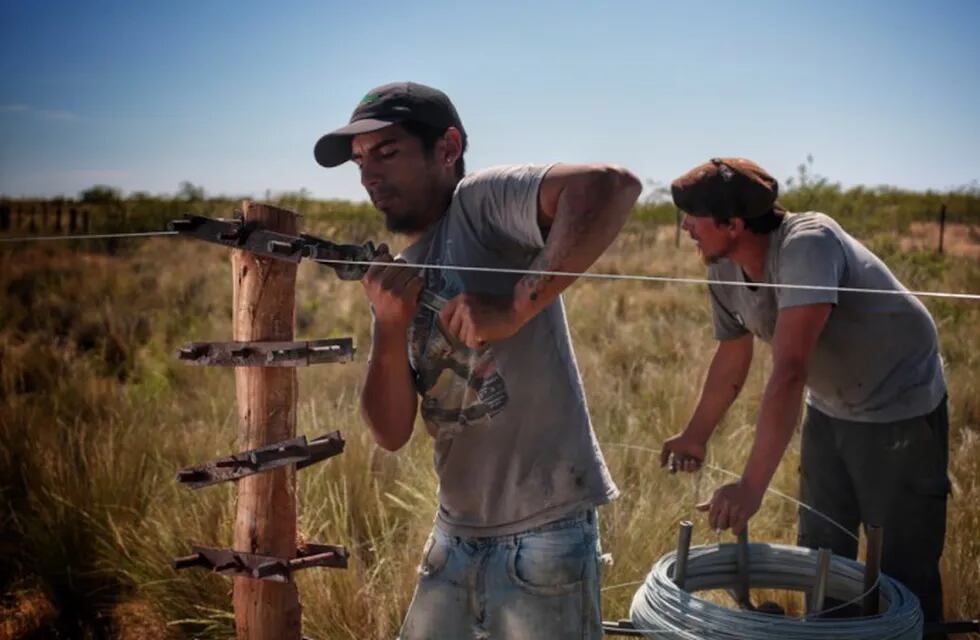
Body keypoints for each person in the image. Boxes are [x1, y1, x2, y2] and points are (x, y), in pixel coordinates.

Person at [314, 82, 641, 639]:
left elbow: (609, 186)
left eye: (387, 152)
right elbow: (390, 433)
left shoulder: (480, 204)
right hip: (453, 535)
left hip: (544, 531)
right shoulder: (401, 271)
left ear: (446, 147)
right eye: (360, 161)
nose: (369, 175)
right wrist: (390, 328)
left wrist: (517, 306)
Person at [660, 157, 949, 623]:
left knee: (902, 568)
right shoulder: (723, 266)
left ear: (733, 223)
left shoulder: (807, 243)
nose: (685, 226)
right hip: (831, 403)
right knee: (823, 555)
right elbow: (732, 357)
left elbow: (790, 368)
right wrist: (695, 433)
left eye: (692, 216)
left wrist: (752, 486)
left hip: (899, 402)